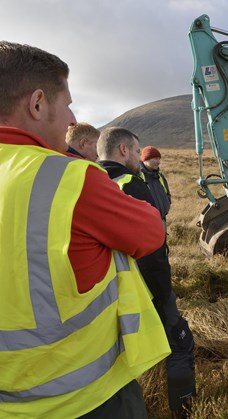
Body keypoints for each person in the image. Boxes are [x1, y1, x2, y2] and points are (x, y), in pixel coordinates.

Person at [0, 41, 170, 418]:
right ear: (38, 103)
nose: (71, 118)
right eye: (68, 104)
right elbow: (149, 231)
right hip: (83, 398)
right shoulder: (66, 178)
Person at [97, 128, 196, 418]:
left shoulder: (85, 183)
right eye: (137, 151)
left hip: (101, 294)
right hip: (141, 287)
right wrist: (165, 292)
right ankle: (185, 410)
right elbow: (152, 251)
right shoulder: (131, 185)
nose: (142, 160)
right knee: (179, 342)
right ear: (123, 150)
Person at [140, 146, 171, 224]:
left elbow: (167, 193)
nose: (158, 162)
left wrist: (167, 204)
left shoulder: (160, 176)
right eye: (155, 159)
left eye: (159, 159)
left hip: (162, 219)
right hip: (146, 222)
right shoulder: (138, 177)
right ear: (145, 160)